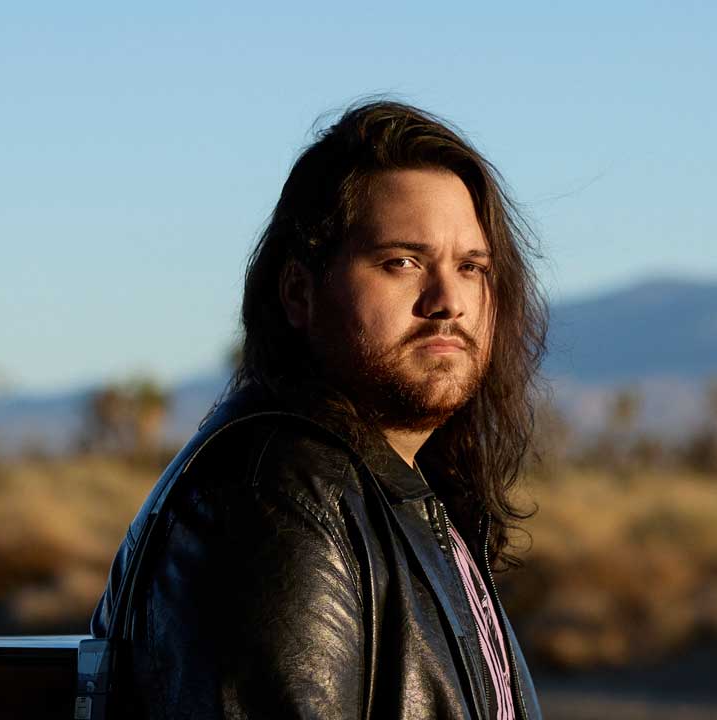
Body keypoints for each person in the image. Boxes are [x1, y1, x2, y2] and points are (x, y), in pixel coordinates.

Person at [89, 100, 547, 719]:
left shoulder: (391, 492)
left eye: (472, 267)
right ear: (300, 292)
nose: (448, 301)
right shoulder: (281, 494)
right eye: (401, 262)